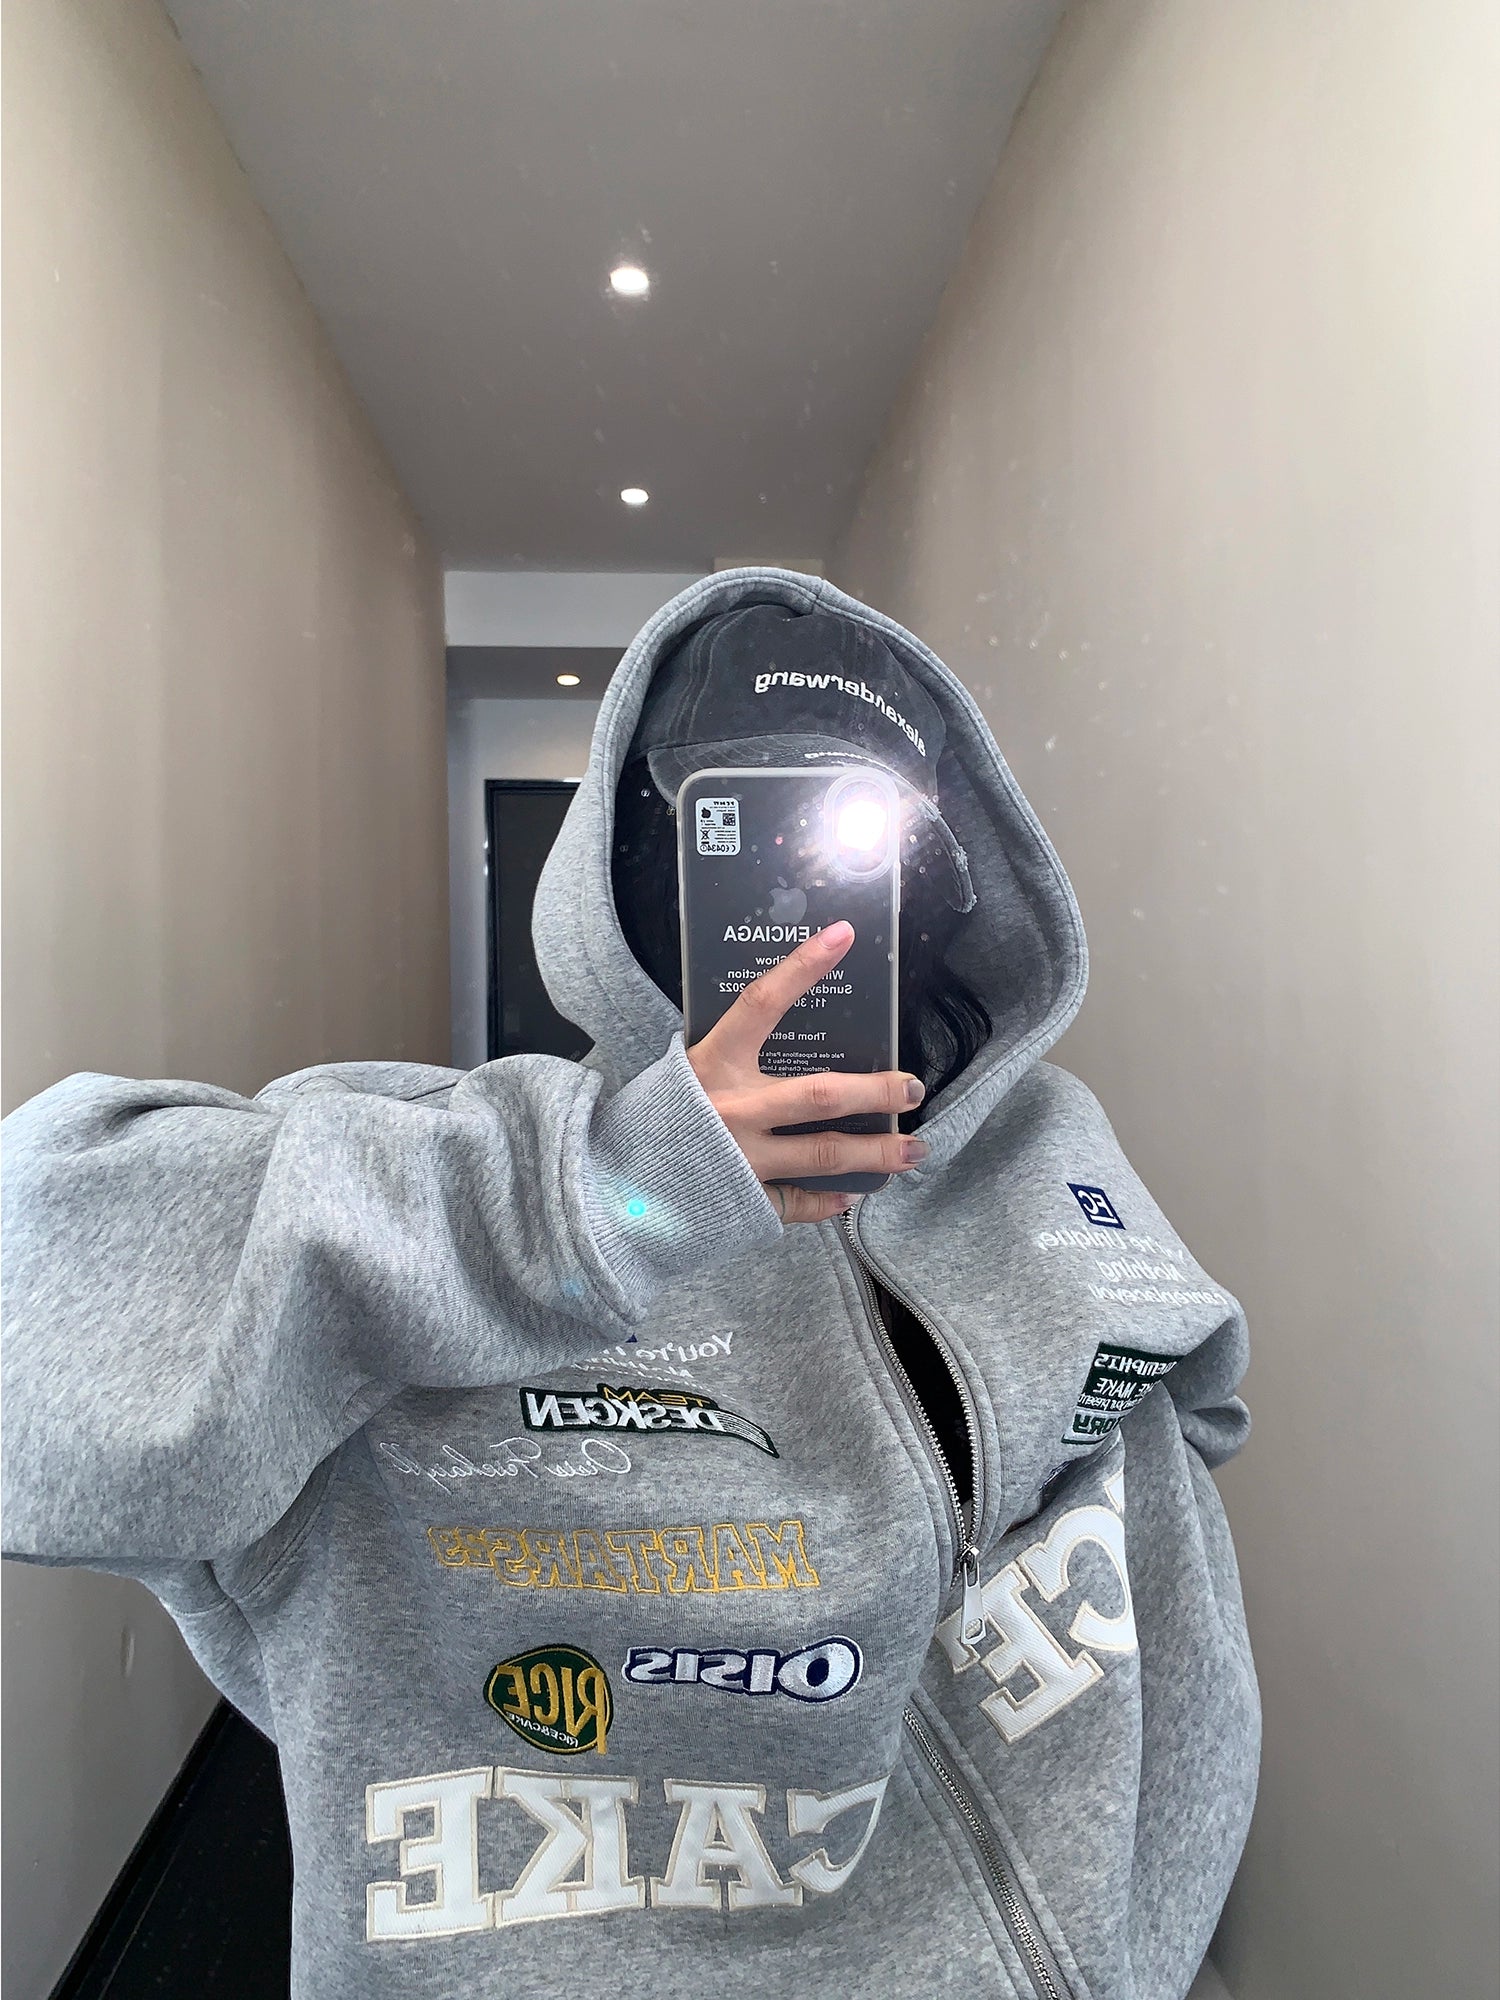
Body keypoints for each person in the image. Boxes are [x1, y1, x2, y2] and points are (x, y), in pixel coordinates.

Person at [1, 569, 1258, 1999]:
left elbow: (1188, 1428)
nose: (800, 897)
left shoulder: (1043, 1150)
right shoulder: (433, 1183)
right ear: (628, 866)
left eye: (862, 836)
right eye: (740, 830)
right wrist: (603, 1193)